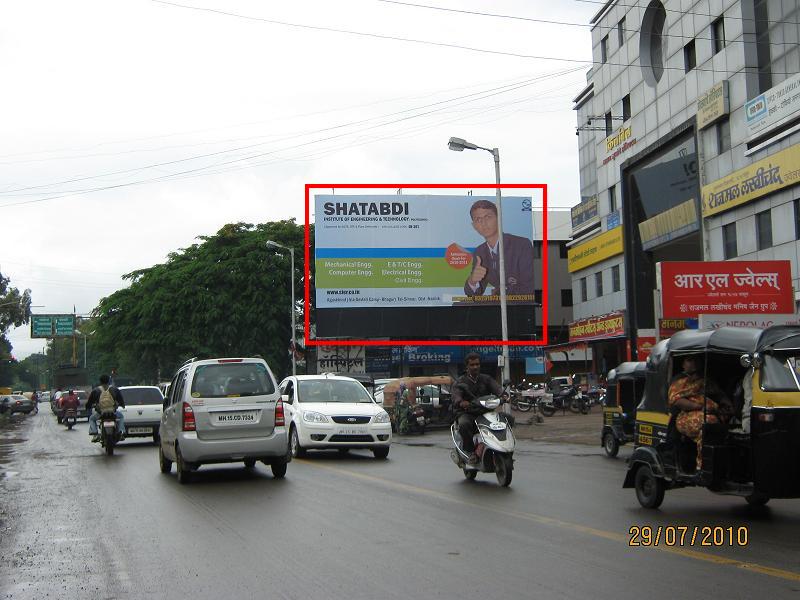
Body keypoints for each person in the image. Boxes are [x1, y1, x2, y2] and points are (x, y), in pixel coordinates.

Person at [668, 357, 732, 472]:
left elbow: (719, 394)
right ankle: (702, 465)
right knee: (707, 424)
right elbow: (677, 401)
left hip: (712, 412)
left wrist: (728, 407)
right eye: (689, 360)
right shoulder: (680, 381)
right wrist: (701, 407)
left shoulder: (705, 380)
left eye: (695, 360)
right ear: (683, 364)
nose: (693, 363)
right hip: (686, 416)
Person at [463, 199, 535, 298]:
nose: (483, 223)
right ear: (474, 225)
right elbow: (474, 293)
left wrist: (500, 291)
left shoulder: (522, 245)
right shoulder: (479, 252)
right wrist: (472, 281)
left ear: (498, 218)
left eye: (488, 217)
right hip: (497, 309)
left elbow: (529, 287)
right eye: (478, 219)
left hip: (521, 308)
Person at [451, 352, 503, 464]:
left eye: (477, 364)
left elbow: (497, 388)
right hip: (468, 413)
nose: (475, 367)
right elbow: (456, 395)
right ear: (467, 366)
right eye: (472, 365)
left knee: (506, 419)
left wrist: (503, 395)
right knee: (464, 424)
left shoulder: (486, 379)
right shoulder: (460, 382)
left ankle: (502, 447)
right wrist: (461, 401)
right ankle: (471, 453)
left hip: (484, 412)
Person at [86, 375, 126, 442]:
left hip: (101, 413)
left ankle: (95, 434)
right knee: (121, 417)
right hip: (112, 412)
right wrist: (122, 405)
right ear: (108, 380)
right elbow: (120, 400)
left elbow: (89, 402)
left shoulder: (96, 390)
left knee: (91, 419)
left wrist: (88, 406)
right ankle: (121, 431)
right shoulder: (114, 389)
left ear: (100, 381)